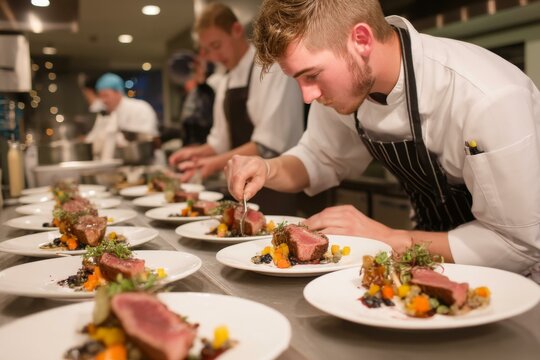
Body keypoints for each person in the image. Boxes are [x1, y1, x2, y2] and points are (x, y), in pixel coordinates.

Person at [225, 0, 540, 275]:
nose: (308, 96)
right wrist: (268, 169)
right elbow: (320, 157)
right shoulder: (345, 89)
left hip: (522, 280)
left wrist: (389, 237)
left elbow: (519, 245)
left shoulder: (487, 97)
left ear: (361, 39)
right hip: (429, 261)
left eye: (312, 75)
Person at [168, 3, 304, 214]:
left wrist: (211, 164)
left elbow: (267, 146)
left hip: (276, 185)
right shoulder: (225, 81)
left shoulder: (271, 69)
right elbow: (220, 142)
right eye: (207, 50)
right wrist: (194, 155)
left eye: (217, 45)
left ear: (236, 30)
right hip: (240, 187)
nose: (213, 56)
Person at [95, 73, 159, 139]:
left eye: (106, 95)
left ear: (118, 92)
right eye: (100, 96)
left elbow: (144, 137)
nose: (103, 100)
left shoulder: (140, 108)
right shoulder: (106, 112)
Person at [180, 55, 215, 146]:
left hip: (203, 143)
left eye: (196, 69)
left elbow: (205, 123)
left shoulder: (208, 90)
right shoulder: (191, 94)